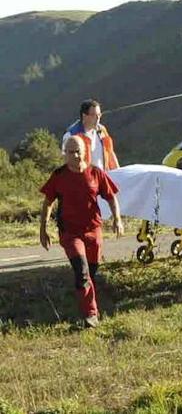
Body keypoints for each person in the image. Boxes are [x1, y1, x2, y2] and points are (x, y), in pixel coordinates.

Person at [39, 134, 123, 328]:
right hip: (70, 233)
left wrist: (117, 219)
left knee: (90, 273)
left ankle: (86, 304)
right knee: (82, 272)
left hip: (94, 230)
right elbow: (48, 202)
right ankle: (91, 315)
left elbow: (111, 197)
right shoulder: (59, 176)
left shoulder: (96, 173)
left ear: (85, 152)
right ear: (64, 154)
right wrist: (43, 228)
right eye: (71, 152)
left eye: (78, 152)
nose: (75, 156)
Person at [62, 99, 120, 172]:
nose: (98, 118)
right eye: (93, 115)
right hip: (84, 180)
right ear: (84, 116)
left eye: (99, 115)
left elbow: (110, 154)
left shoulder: (102, 130)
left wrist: (119, 174)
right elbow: (68, 163)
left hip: (104, 178)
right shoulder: (71, 135)